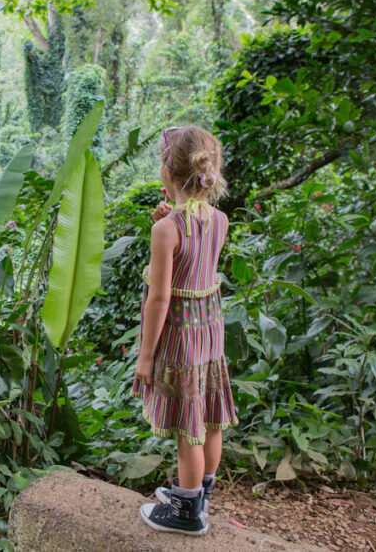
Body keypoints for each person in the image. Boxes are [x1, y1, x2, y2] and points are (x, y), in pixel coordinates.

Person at [132, 125, 238, 536]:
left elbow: (159, 298)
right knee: (209, 417)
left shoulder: (166, 230)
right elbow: (196, 255)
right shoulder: (221, 219)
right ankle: (201, 493)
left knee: (188, 427)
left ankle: (186, 512)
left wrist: (145, 356)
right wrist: (168, 220)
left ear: (168, 171)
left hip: (180, 336)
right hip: (209, 332)